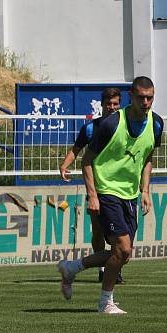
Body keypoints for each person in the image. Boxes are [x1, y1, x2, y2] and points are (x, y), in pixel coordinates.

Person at [57, 76, 164, 314]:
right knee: (123, 248)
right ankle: (106, 302)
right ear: (131, 97)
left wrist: (145, 190)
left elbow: (147, 158)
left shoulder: (156, 124)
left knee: (122, 255)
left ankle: (72, 268)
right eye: (141, 97)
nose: (146, 102)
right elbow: (87, 160)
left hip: (130, 194)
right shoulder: (111, 124)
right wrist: (93, 195)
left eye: (150, 98)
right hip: (106, 190)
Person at [58, 87, 124, 284]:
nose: (112, 107)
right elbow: (76, 150)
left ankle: (114, 266)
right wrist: (64, 165)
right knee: (97, 230)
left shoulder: (123, 127)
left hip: (118, 187)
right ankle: (104, 268)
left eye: (116, 104)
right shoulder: (90, 128)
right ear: (102, 105)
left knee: (117, 236)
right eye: (109, 104)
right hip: (96, 188)